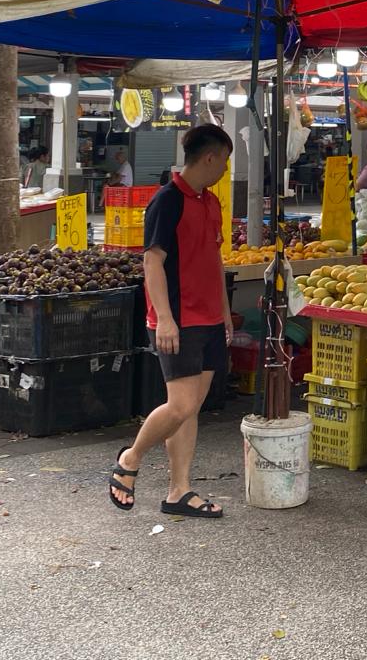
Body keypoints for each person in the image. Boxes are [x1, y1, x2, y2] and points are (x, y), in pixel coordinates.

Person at [109, 124, 234, 518]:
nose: (225, 170)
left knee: (191, 408)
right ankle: (129, 461)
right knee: (179, 406)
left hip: (210, 319)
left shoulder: (210, 202)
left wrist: (226, 312)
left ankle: (179, 490)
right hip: (178, 319)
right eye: (225, 161)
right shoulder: (167, 201)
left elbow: (214, 259)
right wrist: (164, 318)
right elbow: (152, 260)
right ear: (211, 157)